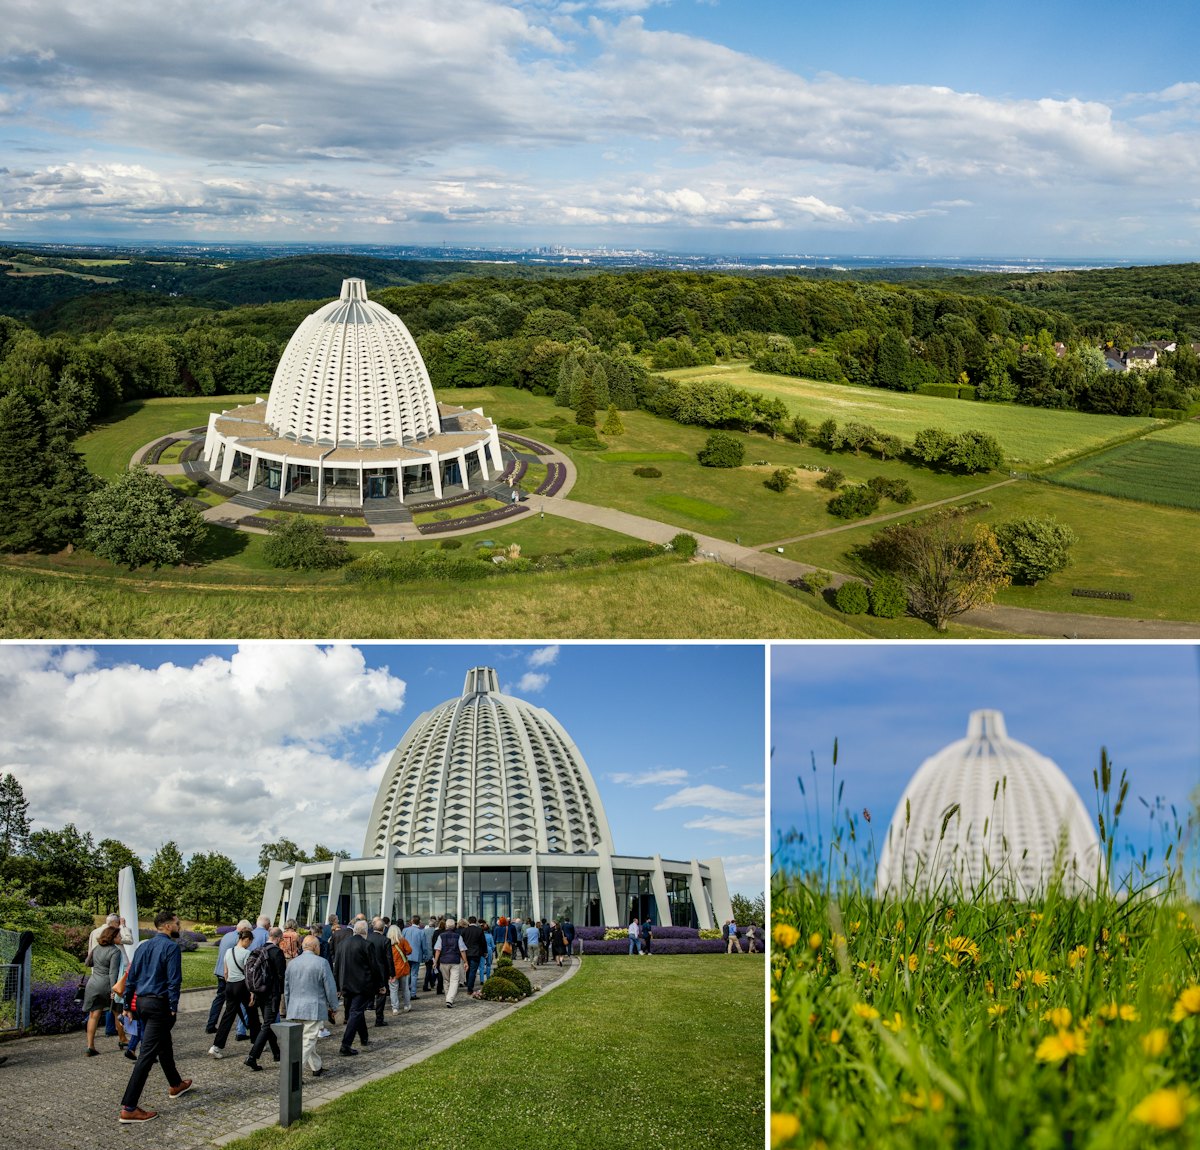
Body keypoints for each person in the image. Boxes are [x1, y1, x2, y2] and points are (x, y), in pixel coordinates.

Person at [118, 909, 193, 1124]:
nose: (179, 927)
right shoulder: (171, 947)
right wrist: (172, 1006)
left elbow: (131, 977)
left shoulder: (143, 946)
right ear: (168, 925)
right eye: (177, 923)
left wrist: (127, 1005)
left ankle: (176, 1084)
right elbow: (173, 980)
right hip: (158, 1006)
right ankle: (129, 1107)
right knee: (147, 1055)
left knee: (163, 1044)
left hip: (141, 1003)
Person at [283, 935, 339, 1077]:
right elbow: (330, 988)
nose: (319, 948)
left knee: (307, 1039)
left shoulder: (292, 963)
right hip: (313, 1007)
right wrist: (334, 1006)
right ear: (314, 947)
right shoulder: (322, 963)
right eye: (318, 946)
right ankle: (294, 1074)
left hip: (295, 1007)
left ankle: (317, 1067)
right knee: (308, 1041)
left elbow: (287, 989)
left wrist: (289, 1007)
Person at [209, 929, 262, 1057]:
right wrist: (252, 992)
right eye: (250, 942)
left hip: (230, 986)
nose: (250, 944)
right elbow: (248, 974)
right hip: (241, 985)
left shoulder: (228, 951)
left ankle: (216, 1046)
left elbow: (225, 972)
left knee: (228, 1016)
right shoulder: (246, 953)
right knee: (253, 1012)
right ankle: (257, 1042)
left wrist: (229, 984)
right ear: (246, 940)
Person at [334, 920, 382, 1056]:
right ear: (366, 932)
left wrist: (337, 985)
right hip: (362, 985)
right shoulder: (367, 945)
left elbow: (336, 967)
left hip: (346, 984)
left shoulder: (342, 944)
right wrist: (380, 986)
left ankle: (364, 1037)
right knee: (356, 1012)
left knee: (356, 1011)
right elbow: (374, 967)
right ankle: (346, 1044)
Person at [243, 927, 285, 1072]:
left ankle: (277, 1053)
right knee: (268, 1024)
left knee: (269, 1022)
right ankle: (252, 1057)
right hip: (271, 993)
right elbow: (281, 975)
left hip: (259, 992)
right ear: (278, 938)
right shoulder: (277, 952)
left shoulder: (259, 950)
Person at [205, 919, 252, 1035]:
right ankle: (244, 1027)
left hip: (220, 970)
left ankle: (211, 1024)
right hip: (231, 975)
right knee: (240, 1002)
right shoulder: (238, 940)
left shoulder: (226, 935)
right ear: (244, 930)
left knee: (220, 999)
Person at [83, 924, 123, 1055]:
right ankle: (123, 1039)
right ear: (112, 937)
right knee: (118, 1011)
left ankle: (90, 1046)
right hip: (106, 984)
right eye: (118, 935)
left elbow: (87, 963)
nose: (121, 937)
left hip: (93, 983)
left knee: (94, 1015)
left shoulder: (96, 948)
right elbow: (113, 973)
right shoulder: (115, 951)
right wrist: (114, 990)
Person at [435, 918, 468, 1007]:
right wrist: (465, 962)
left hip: (444, 961)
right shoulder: (458, 936)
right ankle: (449, 999)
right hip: (455, 961)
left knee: (446, 980)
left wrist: (435, 961)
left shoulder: (441, 936)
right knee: (454, 981)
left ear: (446, 926)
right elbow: (462, 950)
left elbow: (438, 949)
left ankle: (448, 998)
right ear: (454, 927)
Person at [367, 917, 393, 1027]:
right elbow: (389, 958)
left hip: (368, 970)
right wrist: (392, 973)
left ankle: (368, 1008)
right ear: (383, 929)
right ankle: (379, 1018)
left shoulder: (367, 938)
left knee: (368, 992)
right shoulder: (385, 940)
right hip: (381, 971)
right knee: (381, 995)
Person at [386, 924, 413, 1013]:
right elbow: (409, 950)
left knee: (393, 990)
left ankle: (395, 1008)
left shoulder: (387, 942)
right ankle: (406, 1005)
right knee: (405, 988)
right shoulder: (402, 941)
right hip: (403, 968)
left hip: (391, 969)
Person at [402, 915, 427, 1000]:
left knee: (407, 975)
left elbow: (401, 942)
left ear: (412, 921)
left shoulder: (405, 930)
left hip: (406, 955)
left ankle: (405, 992)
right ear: (419, 922)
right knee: (414, 975)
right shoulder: (421, 932)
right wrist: (425, 955)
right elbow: (424, 946)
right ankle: (413, 994)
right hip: (416, 955)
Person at [461, 916, 486, 993]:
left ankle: (469, 984)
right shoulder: (479, 930)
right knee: (473, 970)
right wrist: (484, 952)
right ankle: (470, 987)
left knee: (468, 970)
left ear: (469, 921)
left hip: (466, 952)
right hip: (476, 953)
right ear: (475, 922)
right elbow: (483, 942)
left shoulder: (465, 930)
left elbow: (461, 942)